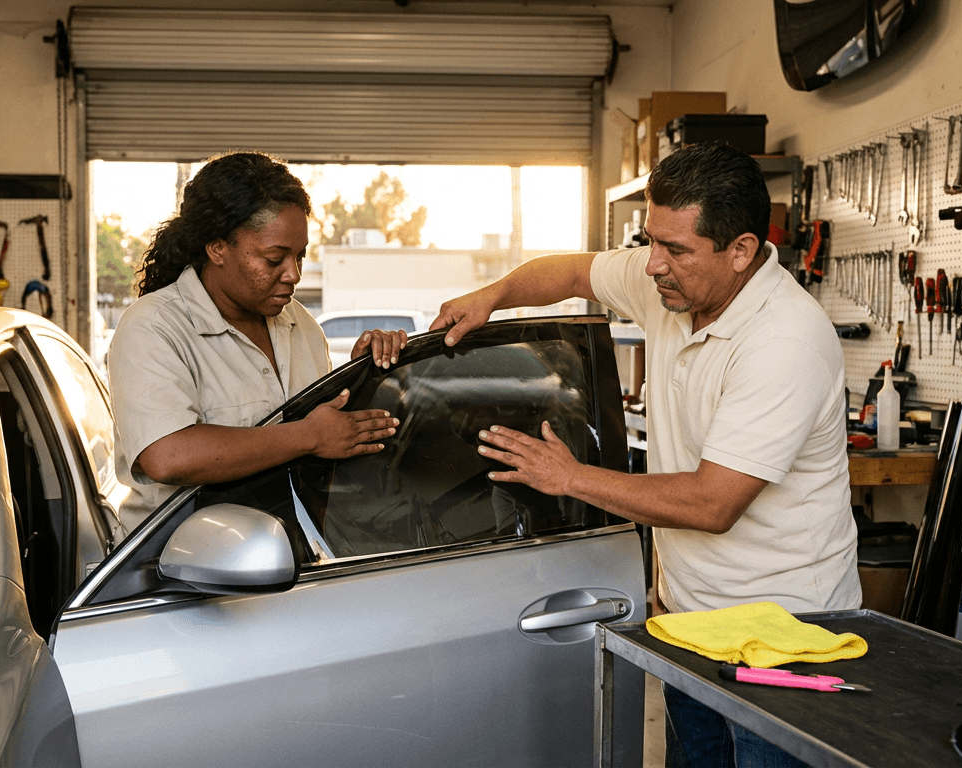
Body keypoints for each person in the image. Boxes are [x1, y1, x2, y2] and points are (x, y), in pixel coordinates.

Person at [431, 142, 860, 768]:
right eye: (651, 241)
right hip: (692, 624)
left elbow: (713, 504)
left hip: (785, 633)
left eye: (676, 250)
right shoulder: (673, 284)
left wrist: (571, 477)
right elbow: (571, 273)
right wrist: (494, 294)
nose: (653, 265)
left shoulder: (784, 339)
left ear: (741, 250)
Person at [108, 151, 407, 519]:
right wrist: (308, 436)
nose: (294, 274)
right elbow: (168, 456)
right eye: (273, 259)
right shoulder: (154, 327)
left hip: (294, 550)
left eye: (299, 256)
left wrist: (360, 378)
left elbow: (323, 435)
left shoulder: (300, 324)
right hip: (180, 564)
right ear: (217, 247)